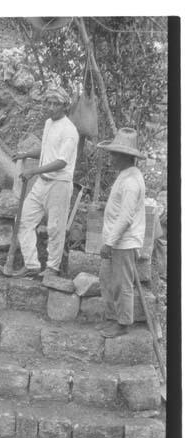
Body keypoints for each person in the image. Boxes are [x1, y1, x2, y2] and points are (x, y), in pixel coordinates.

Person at [12, 86, 79, 282]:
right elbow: (46, 150)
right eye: (48, 103)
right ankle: (32, 265)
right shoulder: (49, 123)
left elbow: (61, 162)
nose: (51, 107)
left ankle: (52, 268)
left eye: (56, 104)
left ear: (64, 106)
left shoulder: (70, 130)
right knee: (23, 220)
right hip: (42, 182)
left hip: (59, 183)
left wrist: (33, 170)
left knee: (55, 228)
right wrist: (26, 155)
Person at [96, 127, 146, 338]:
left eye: (114, 155)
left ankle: (123, 322)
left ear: (125, 157)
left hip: (123, 243)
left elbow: (126, 218)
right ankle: (112, 318)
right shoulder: (125, 175)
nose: (111, 159)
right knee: (107, 279)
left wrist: (109, 242)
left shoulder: (131, 182)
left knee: (122, 283)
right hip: (116, 241)